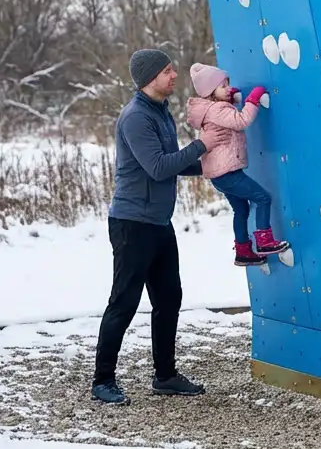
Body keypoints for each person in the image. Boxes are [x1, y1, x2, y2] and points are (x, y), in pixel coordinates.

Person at [91, 49, 211, 405]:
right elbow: (159, 167)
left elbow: (173, 164)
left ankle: (165, 375)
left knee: (169, 298)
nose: (174, 75)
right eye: (167, 71)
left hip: (159, 222)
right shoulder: (135, 118)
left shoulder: (161, 113)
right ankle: (102, 380)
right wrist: (204, 144)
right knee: (124, 302)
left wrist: (215, 167)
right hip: (132, 224)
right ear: (149, 78)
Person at [185, 62, 286, 266]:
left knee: (241, 210)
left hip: (219, 175)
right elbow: (241, 121)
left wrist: (229, 98)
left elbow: (226, 113)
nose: (229, 89)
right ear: (211, 92)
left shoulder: (210, 109)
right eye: (223, 86)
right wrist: (252, 100)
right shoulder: (217, 109)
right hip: (228, 173)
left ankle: (243, 251)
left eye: (228, 84)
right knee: (263, 198)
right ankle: (264, 241)